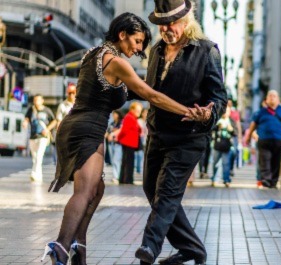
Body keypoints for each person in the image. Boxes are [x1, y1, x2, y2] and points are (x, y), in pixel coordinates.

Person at [41, 12, 194, 265]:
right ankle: (61, 246)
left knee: (96, 190)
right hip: (87, 127)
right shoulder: (116, 63)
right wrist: (188, 111)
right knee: (86, 191)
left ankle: (79, 251)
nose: (138, 48)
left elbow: (132, 93)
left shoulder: (95, 54)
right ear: (122, 34)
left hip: (80, 125)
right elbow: (150, 95)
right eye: (136, 41)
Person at [134, 1, 227, 264]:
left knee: (167, 193)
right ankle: (193, 249)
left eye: (171, 23)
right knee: (151, 189)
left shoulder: (207, 50)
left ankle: (149, 247)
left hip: (189, 138)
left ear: (187, 20)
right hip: (157, 134)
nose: (165, 28)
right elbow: (151, 93)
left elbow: (219, 97)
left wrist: (209, 114)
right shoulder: (156, 51)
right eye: (161, 23)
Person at [244, 90, 281, 189]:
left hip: (279, 140)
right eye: (270, 96)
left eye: (274, 96)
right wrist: (248, 136)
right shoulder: (261, 111)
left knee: (276, 161)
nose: (272, 97)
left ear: (278, 99)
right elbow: (253, 124)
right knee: (265, 160)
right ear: (266, 99)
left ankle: (273, 181)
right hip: (264, 140)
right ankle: (266, 181)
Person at [23, 94, 57, 183]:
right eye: (35, 100)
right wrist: (25, 123)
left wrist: (47, 129)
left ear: (42, 101)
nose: (36, 102)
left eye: (38, 100)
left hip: (43, 137)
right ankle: (39, 175)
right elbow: (26, 118)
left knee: (39, 156)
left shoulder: (47, 110)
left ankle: (34, 174)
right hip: (33, 136)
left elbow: (54, 121)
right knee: (35, 157)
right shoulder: (31, 109)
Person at [117, 101, 143, 184]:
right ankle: (128, 180)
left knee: (126, 162)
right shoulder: (129, 117)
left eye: (140, 111)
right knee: (129, 163)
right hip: (128, 143)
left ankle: (123, 179)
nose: (139, 112)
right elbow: (124, 130)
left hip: (130, 143)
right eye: (138, 110)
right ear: (132, 109)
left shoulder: (132, 117)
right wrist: (118, 138)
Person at [211, 106, 235, 187]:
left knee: (226, 163)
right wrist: (217, 126)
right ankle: (214, 179)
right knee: (215, 163)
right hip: (217, 145)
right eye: (224, 111)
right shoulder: (217, 120)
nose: (225, 113)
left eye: (227, 111)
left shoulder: (231, 121)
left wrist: (231, 129)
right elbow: (211, 129)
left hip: (227, 146)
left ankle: (226, 179)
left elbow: (235, 133)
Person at [106, 110, 123, 183]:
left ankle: (117, 176)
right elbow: (107, 131)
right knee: (113, 160)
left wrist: (112, 134)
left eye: (115, 114)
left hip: (118, 143)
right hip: (110, 143)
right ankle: (115, 175)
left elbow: (121, 130)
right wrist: (107, 135)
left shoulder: (121, 122)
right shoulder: (112, 123)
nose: (114, 116)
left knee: (117, 160)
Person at [228, 99, 243, 175]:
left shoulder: (235, 113)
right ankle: (226, 170)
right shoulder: (223, 112)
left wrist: (240, 137)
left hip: (234, 136)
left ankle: (231, 168)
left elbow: (238, 125)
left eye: (230, 103)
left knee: (233, 153)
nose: (229, 104)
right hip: (225, 137)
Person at [135, 108, 148, 175]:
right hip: (140, 139)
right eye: (144, 113)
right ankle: (139, 169)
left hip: (147, 139)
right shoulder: (139, 121)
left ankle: (143, 169)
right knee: (139, 155)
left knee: (145, 155)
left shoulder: (148, 121)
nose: (145, 114)